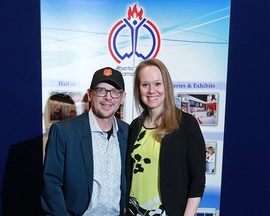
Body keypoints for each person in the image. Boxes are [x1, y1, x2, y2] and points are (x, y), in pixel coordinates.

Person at [41, 67, 128, 216]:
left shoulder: (127, 132)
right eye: (101, 90)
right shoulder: (64, 132)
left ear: (122, 97)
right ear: (90, 94)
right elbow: (51, 184)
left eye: (115, 92)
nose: (108, 97)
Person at [126, 59, 206, 216]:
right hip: (133, 211)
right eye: (145, 85)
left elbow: (197, 180)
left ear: (166, 86)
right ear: (138, 89)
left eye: (157, 83)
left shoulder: (186, 124)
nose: (151, 90)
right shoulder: (135, 126)